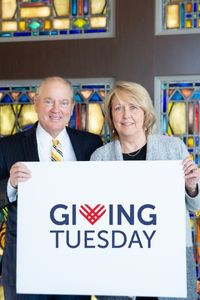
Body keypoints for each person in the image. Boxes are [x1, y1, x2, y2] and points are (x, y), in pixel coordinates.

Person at [91, 81, 200, 300]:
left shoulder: (173, 148)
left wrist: (192, 186)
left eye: (133, 107)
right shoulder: (100, 157)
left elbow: (196, 205)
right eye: (118, 108)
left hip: (169, 258)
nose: (126, 114)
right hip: (117, 262)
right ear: (111, 116)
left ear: (145, 112)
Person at [0, 76, 103, 300]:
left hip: (75, 266)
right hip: (24, 267)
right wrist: (10, 184)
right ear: (36, 103)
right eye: (48, 101)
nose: (56, 109)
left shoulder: (91, 144)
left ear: (72, 107)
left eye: (63, 102)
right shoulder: (8, 146)